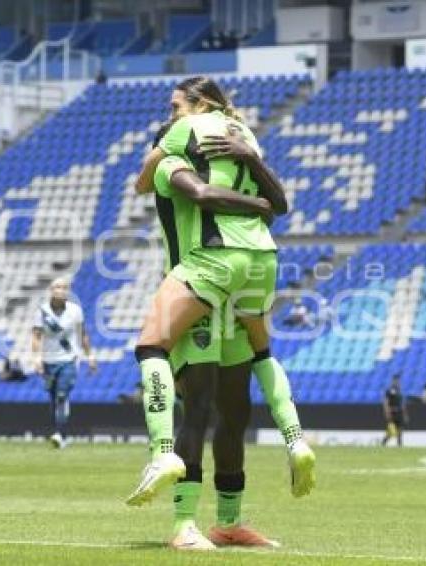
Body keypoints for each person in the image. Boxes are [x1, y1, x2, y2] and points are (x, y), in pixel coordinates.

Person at [126, 76, 314, 509]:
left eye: (175, 107)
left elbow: (172, 186)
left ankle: (164, 463)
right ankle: (293, 440)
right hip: (260, 259)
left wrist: (162, 152)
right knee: (248, 381)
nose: (171, 115)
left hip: (206, 266)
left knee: (158, 355)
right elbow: (279, 204)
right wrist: (262, 205)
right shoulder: (244, 142)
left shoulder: (175, 155)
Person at [148, 134, 300, 549]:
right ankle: (183, 524)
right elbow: (199, 195)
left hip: (229, 290)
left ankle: (229, 523)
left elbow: (274, 209)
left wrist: (250, 163)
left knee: (235, 414)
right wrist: (257, 206)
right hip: (194, 288)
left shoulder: (229, 172)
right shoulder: (172, 167)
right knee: (197, 407)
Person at [31, 277, 97, 449]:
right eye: (57, 287)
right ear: (51, 290)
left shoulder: (75, 311)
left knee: (62, 395)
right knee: (53, 398)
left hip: (69, 359)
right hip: (48, 360)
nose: (60, 290)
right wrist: (36, 358)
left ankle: (59, 434)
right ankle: (61, 433)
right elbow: (36, 336)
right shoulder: (42, 312)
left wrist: (90, 356)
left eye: (64, 287)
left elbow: (83, 334)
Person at [381, 374, 407, 447]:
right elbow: (386, 402)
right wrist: (387, 412)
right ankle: (383, 442)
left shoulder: (399, 391)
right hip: (392, 412)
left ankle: (399, 445)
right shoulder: (389, 391)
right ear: (393, 381)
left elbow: (402, 403)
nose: (398, 382)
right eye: (396, 380)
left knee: (400, 430)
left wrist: (404, 414)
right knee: (392, 431)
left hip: (399, 413)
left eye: (398, 380)